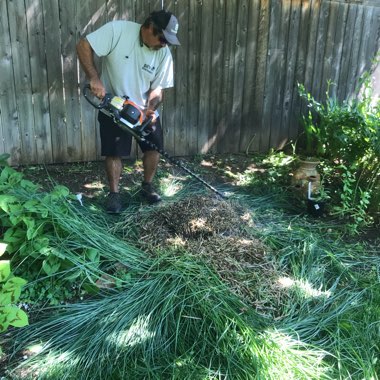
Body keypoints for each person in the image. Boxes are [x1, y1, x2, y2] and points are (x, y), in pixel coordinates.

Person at [76, 10, 180, 213]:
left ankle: (147, 185)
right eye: (162, 38)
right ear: (150, 26)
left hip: (142, 109)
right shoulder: (118, 31)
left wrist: (150, 109)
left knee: (154, 148)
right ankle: (114, 194)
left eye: (168, 41)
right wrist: (94, 77)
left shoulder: (163, 53)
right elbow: (83, 45)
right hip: (113, 106)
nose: (164, 44)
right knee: (114, 152)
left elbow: (158, 89)